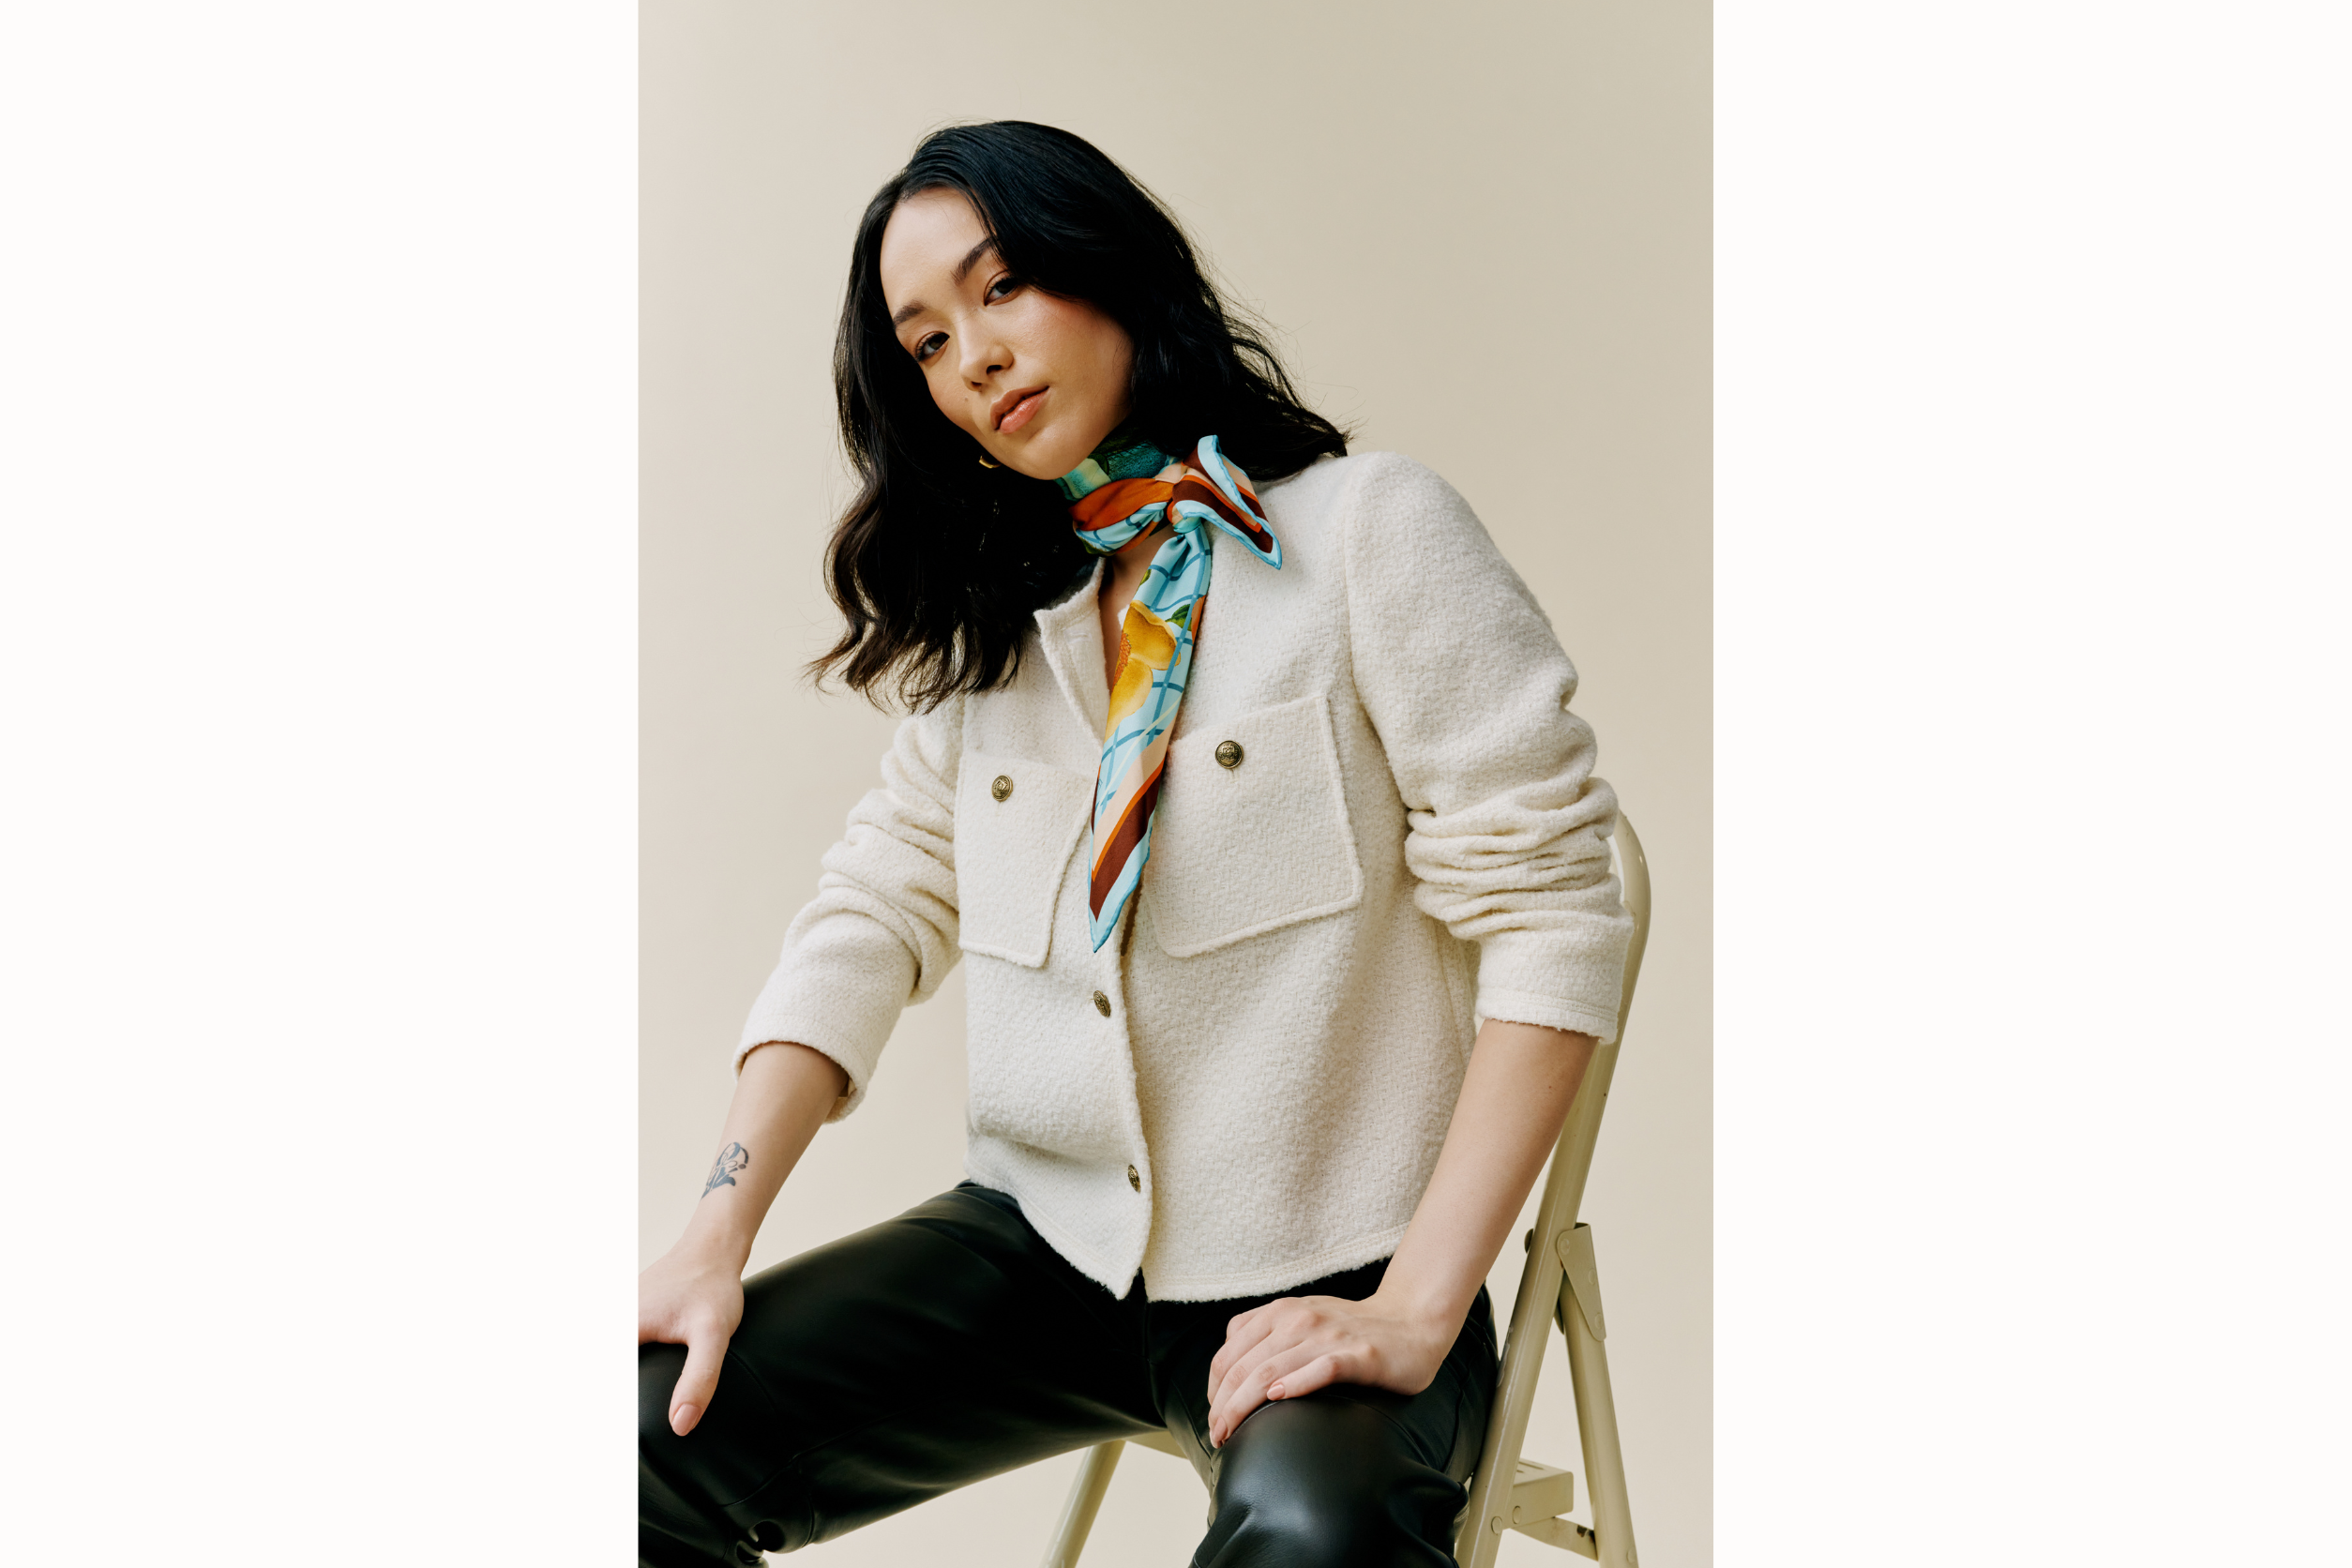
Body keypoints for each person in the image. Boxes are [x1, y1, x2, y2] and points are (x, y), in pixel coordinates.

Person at [639, 120, 1633, 1568]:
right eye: (922, 343)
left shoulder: (1368, 536)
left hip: (1332, 1254)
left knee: (1311, 1533)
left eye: (1000, 289)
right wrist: (712, 1236)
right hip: (1039, 1249)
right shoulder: (1001, 634)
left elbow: (1555, 908)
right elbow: (868, 914)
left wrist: (1418, 1305)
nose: (972, 357)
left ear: (1108, 271)